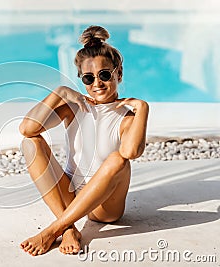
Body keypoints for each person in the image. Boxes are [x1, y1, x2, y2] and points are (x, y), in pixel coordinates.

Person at [18, 25, 149, 256]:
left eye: (104, 75)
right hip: (70, 194)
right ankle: (68, 228)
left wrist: (143, 108)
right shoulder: (75, 107)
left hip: (104, 207)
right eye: (89, 78)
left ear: (118, 74)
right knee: (31, 143)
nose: (97, 83)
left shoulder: (127, 118)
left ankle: (52, 230)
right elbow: (28, 129)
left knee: (118, 159)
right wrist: (58, 93)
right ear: (82, 80)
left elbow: (130, 152)